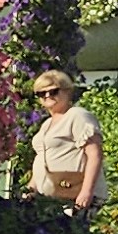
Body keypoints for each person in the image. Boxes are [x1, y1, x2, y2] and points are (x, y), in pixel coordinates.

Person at [25, 69, 103, 212]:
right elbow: (43, 160)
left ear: (67, 92)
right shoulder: (46, 124)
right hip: (50, 198)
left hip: (75, 196)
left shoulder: (77, 115)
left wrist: (86, 192)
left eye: (53, 91)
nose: (47, 96)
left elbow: (94, 154)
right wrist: (30, 190)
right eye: (41, 93)